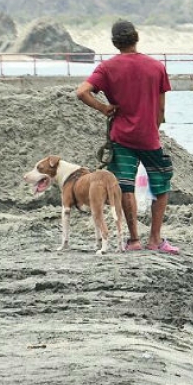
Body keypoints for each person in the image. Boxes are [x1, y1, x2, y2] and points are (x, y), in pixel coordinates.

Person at [75, 20, 178, 254]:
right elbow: (161, 110)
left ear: (114, 43)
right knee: (161, 185)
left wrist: (103, 108)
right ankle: (155, 239)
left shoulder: (107, 68)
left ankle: (133, 240)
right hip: (149, 137)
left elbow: (82, 92)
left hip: (121, 136)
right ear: (137, 37)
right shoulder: (156, 67)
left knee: (125, 187)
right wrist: (154, 127)